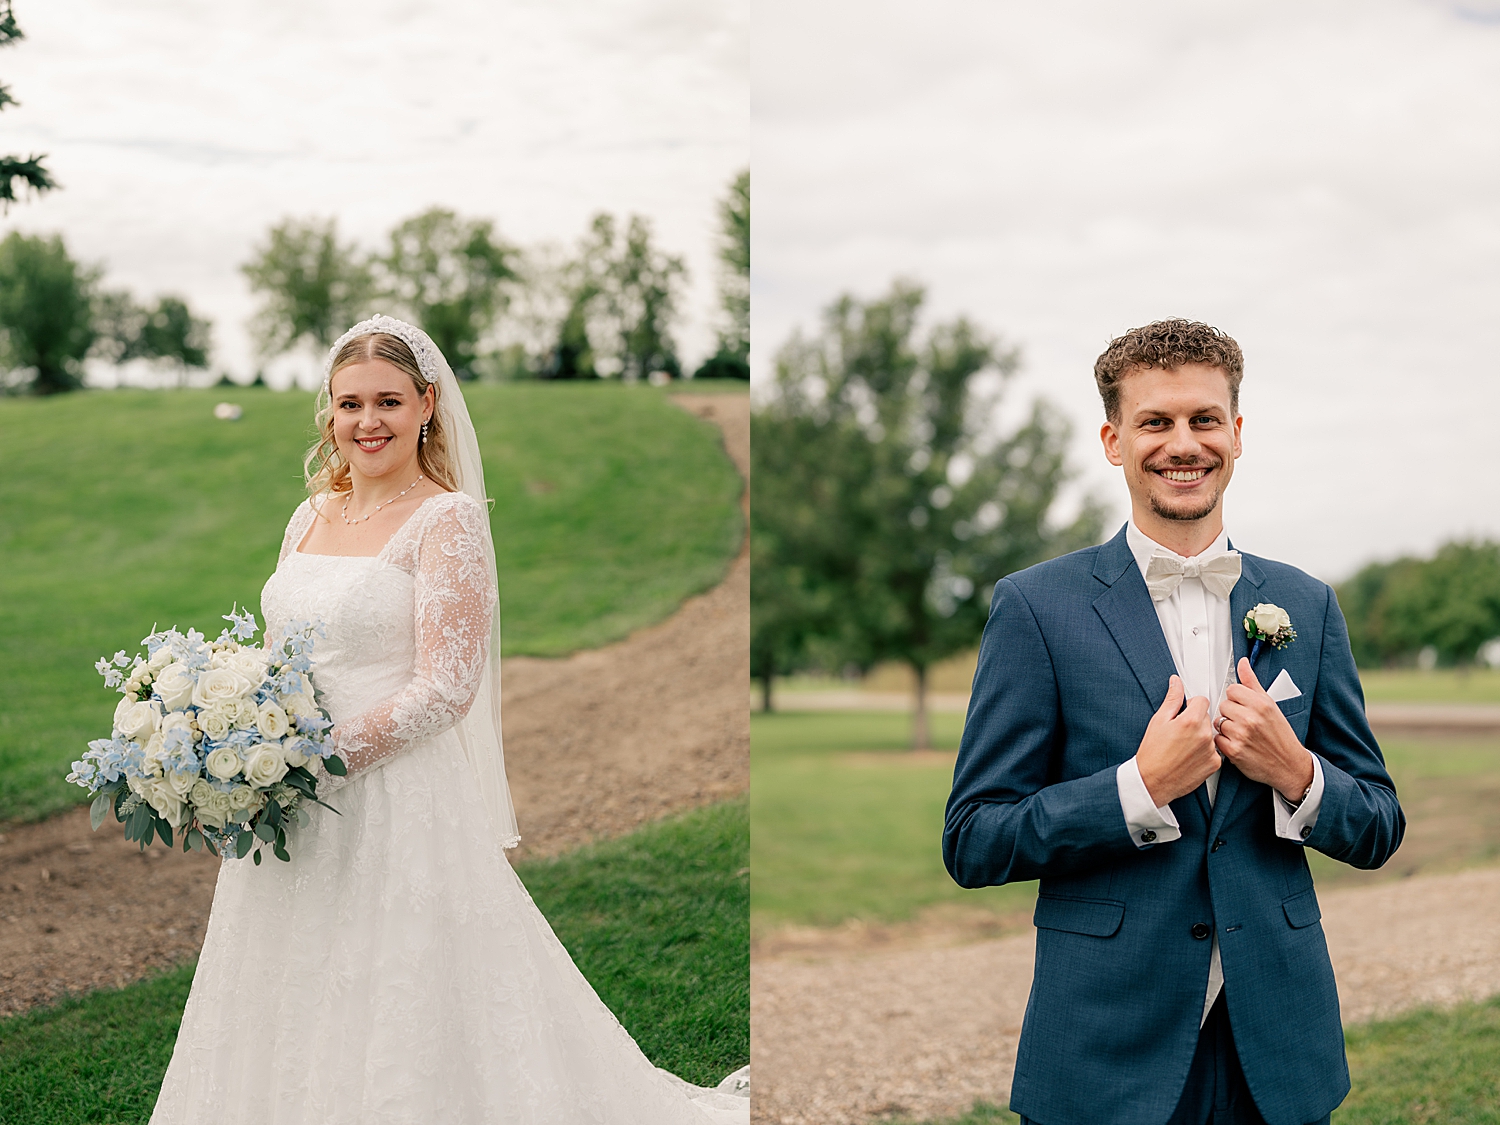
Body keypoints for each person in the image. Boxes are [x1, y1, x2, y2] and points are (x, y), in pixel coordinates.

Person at [150, 315, 749, 1125]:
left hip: (390, 800)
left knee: (396, 988)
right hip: (285, 807)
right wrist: (239, 727)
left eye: (389, 401)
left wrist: (307, 758)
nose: (369, 421)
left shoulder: (447, 518)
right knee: (287, 977)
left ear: (427, 403)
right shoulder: (309, 516)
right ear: (328, 413)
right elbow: (278, 661)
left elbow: (443, 689)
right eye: (350, 403)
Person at [942, 319, 1403, 1125]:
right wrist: (1137, 788)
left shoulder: (1307, 603)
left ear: (1236, 433)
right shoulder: (1035, 607)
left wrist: (1296, 771)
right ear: (1114, 440)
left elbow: (1379, 824)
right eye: (1155, 422)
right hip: (1106, 1053)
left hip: (1279, 1050)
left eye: (1203, 419)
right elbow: (975, 837)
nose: (1182, 443)